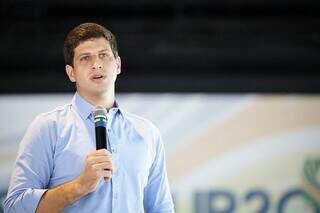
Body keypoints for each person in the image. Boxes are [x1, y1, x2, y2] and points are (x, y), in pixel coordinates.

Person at [4, 22, 175, 213]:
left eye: (104, 55)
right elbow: (14, 207)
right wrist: (79, 186)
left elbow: (161, 208)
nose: (97, 64)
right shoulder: (48, 127)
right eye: (85, 58)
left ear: (117, 65)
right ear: (71, 73)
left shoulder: (147, 133)